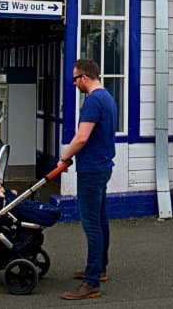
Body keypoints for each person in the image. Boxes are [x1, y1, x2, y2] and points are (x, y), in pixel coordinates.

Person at [57, 59, 117, 301]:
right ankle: (100, 268)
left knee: (91, 224)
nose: (73, 84)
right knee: (100, 220)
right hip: (103, 166)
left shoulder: (92, 101)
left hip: (91, 170)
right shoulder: (109, 98)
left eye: (74, 79)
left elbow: (82, 138)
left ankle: (91, 282)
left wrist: (65, 156)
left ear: (84, 77)